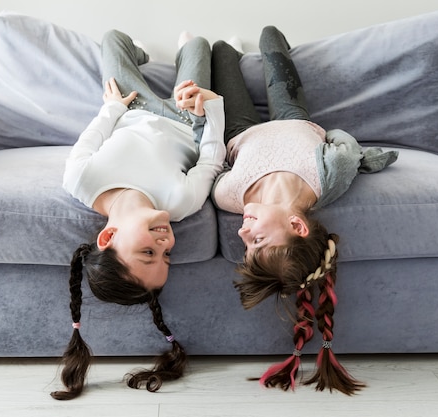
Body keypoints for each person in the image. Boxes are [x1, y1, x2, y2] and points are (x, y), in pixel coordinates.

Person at [207, 26, 398, 395]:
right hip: (295, 119)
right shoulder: (327, 178)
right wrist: (357, 158)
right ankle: (268, 43)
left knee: (220, 50)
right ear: (298, 224)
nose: (243, 232)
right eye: (258, 239)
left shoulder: (230, 196)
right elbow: (342, 139)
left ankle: (231, 46)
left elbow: (214, 161)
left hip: (241, 132)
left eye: (247, 243)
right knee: (268, 36)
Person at [51, 29, 225, 400]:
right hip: (184, 118)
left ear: (108, 238)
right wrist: (209, 107)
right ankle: (182, 54)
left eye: (148, 251)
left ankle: (140, 54)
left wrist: (112, 107)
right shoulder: (180, 202)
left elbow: (91, 140)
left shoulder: (81, 180)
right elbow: (211, 159)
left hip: (132, 107)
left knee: (113, 38)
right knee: (196, 45)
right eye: (167, 255)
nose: (165, 243)